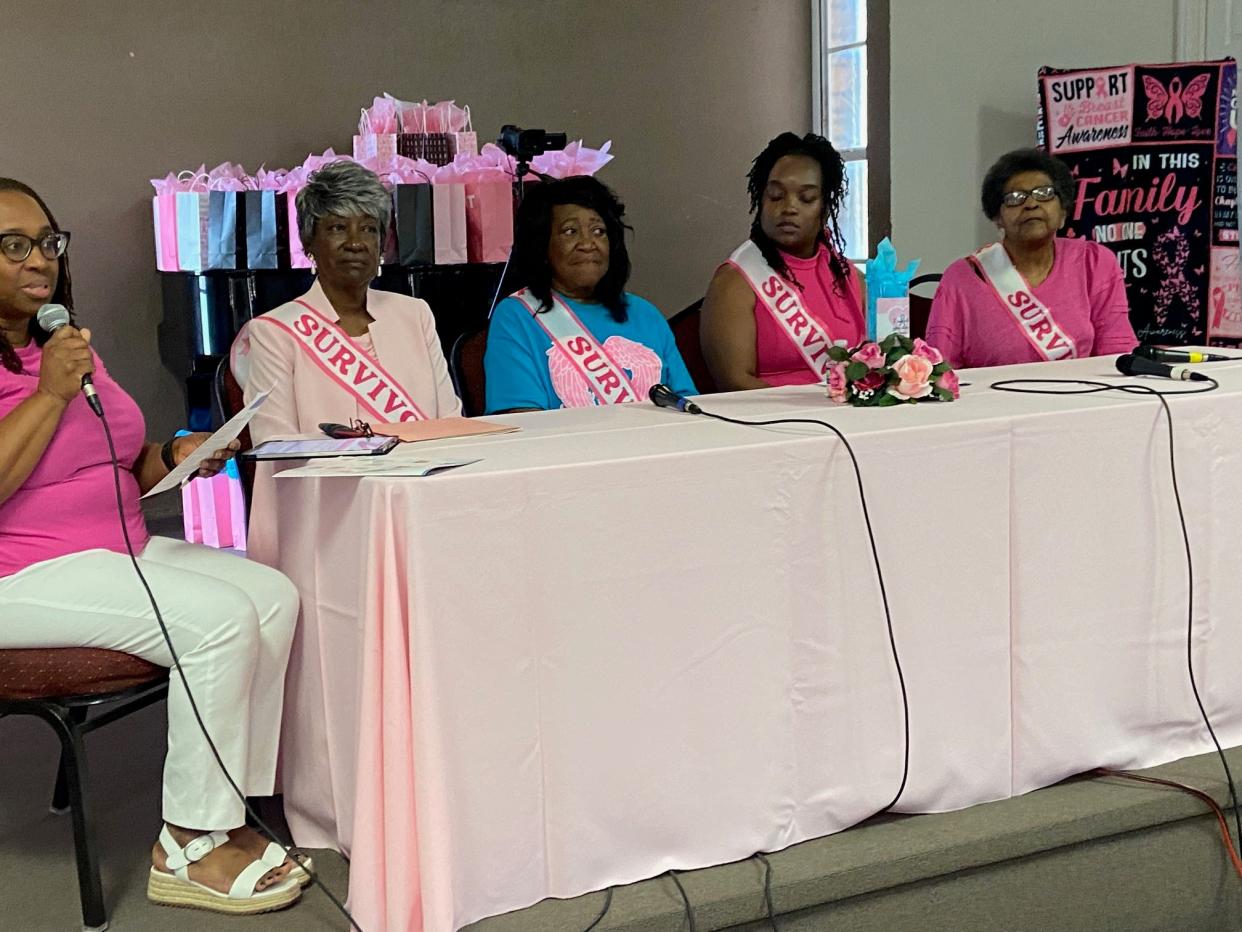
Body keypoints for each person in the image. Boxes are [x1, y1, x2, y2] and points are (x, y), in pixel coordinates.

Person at [0, 179, 305, 914]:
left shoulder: (61, 340)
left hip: (114, 548)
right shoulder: (55, 370)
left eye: (47, 241)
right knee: (218, 621)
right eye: (13, 245)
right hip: (19, 575)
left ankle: (234, 806)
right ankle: (190, 843)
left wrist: (176, 455)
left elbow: (115, 455)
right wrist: (48, 394)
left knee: (271, 595)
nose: (39, 258)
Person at [237, 160, 461, 563]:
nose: (356, 242)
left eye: (369, 228)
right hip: (326, 516)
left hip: (418, 500)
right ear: (310, 242)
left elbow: (449, 420)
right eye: (337, 228)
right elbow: (276, 443)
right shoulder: (273, 331)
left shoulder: (415, 315)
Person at [484, 176, 696, 412]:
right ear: (542, 246)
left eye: (598, 231)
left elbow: (686, 407)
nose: (587, 243)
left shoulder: (645, 314)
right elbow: (521, 420)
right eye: (570, 231)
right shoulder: (517, 316)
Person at [925, 147, 1137, 368]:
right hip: (994, 400)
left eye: (1044, 194)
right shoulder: (962, 277)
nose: (1031, 204)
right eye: (1015, 198)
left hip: (1082, 397)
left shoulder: (1094, 262)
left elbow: (1116, 354)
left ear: (1063, 212)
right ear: (998, 217)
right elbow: (941, 370)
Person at [699, 132, 865, 391]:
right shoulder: (735, 281)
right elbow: (734, 383)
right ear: (760, 201)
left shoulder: (850, 277)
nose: (789, 208)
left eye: (806, 198)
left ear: (825, 207)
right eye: (776, 196)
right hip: (773, 422)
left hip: (847, 420)